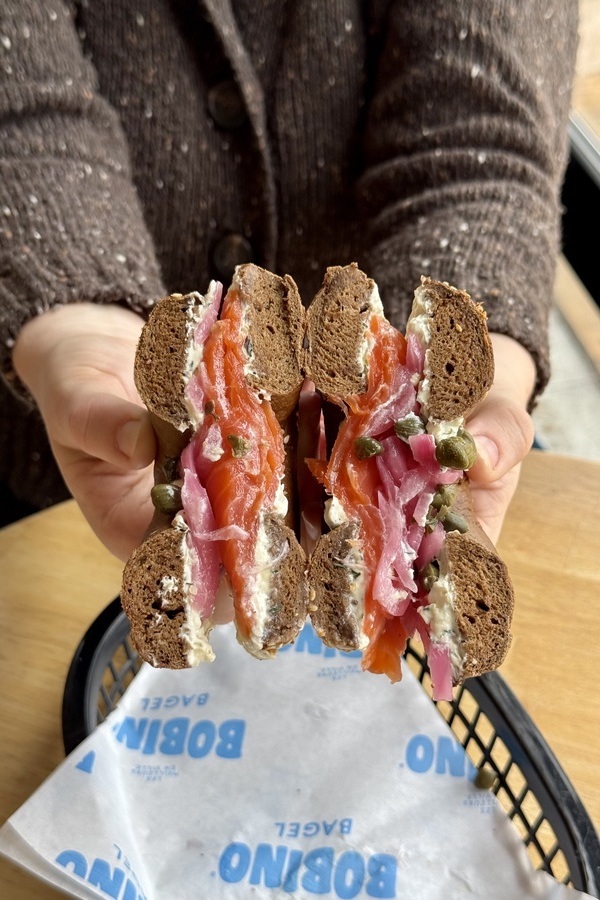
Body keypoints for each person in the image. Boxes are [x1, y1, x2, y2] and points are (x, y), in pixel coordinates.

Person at [1, 1, 579, 562]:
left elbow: (478, 142)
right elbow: (21, 121)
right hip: (51, 477)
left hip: (382, 396)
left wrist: (455, 368)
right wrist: (73, 318)